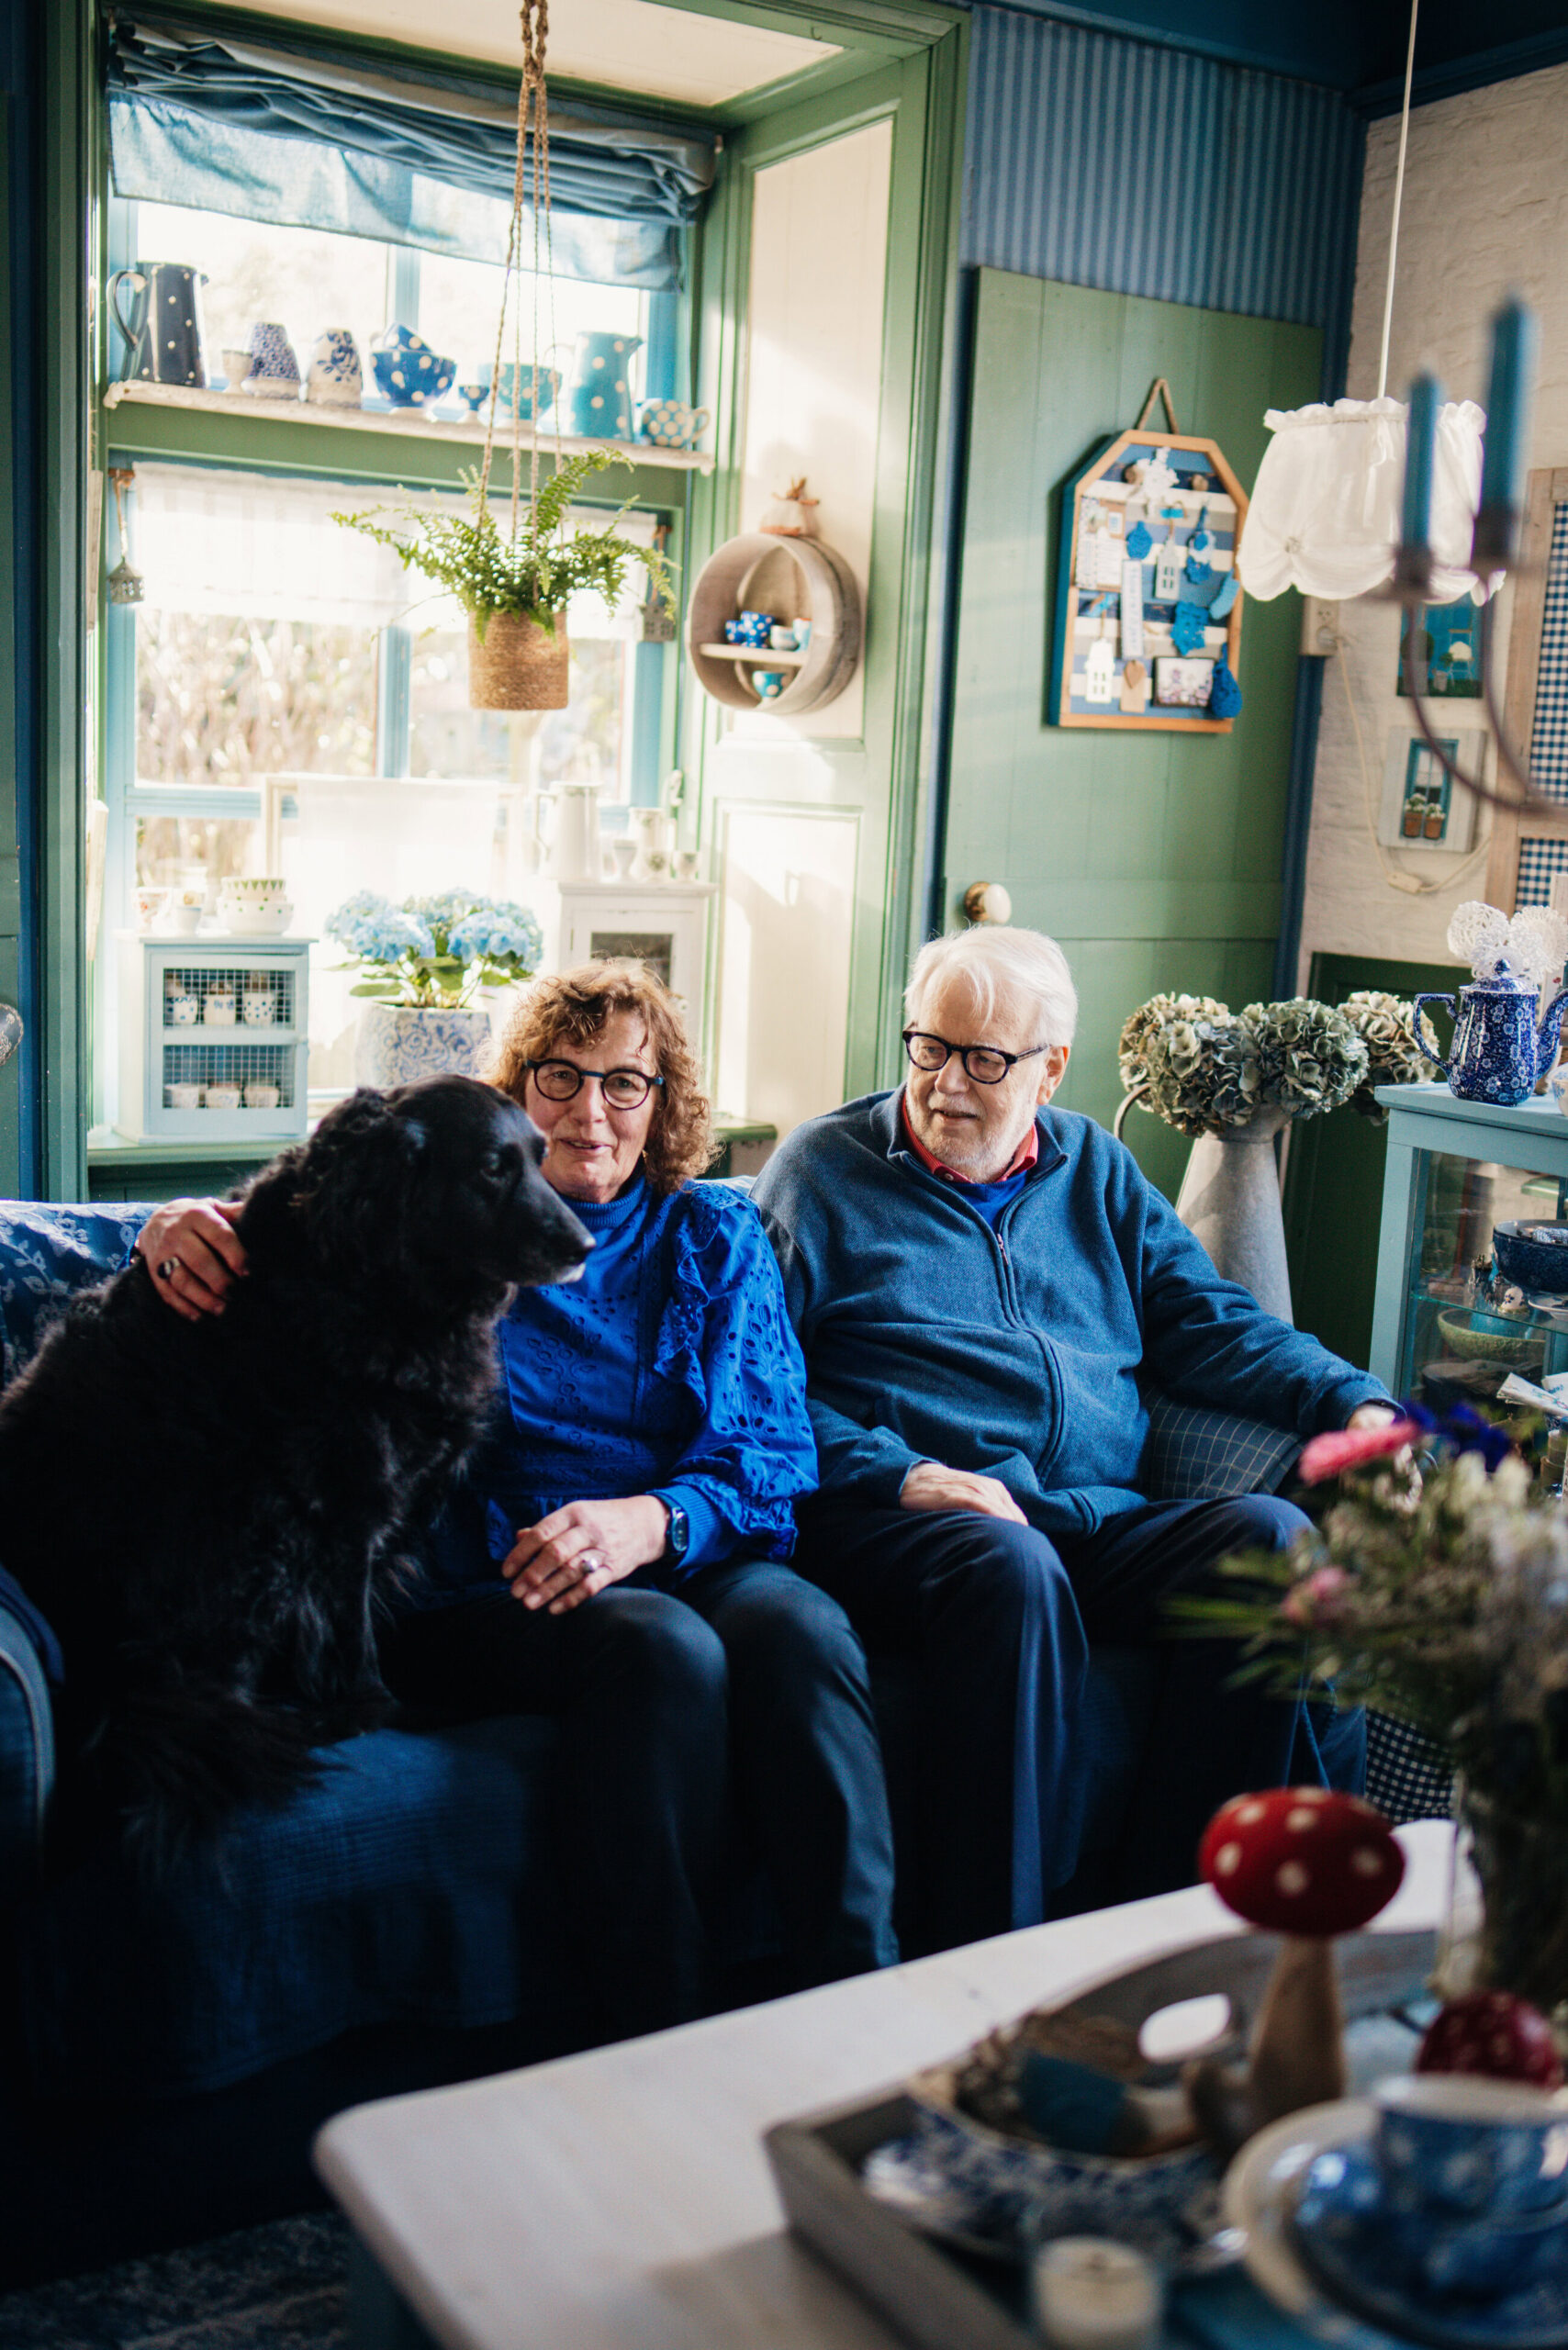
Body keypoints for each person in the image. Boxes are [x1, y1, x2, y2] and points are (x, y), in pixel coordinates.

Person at [136, 965, 897, 2039]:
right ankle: (660, 2030)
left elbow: (771, 1453)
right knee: (658, 1646)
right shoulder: (443, 1225)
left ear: (661, 1102)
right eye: (561, 1077)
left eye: (624, 1083)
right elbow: (301, 1214)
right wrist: (168, 1222)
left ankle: (865, 2014)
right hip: (493, 1582)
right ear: (518, 1090)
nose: (591, 1111)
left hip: (680, 1540)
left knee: (803, 1632)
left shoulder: (714, 1235)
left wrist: (651, 1519)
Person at [752, 924, 1394, 1957]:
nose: (945, 1085)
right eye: (929, 1046)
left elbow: (1210, 1321)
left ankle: (1171, 1927)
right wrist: (903, 1472)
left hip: (1088, 1522)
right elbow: (756, 1391)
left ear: (1049, 1070)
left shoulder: (1094, 1165)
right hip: (908, 1520)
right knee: (1011, 1566)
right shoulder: (821, 1173)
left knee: (1272, 1543)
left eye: (984, 1060)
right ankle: (995, 1958)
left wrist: (1353, 1402)